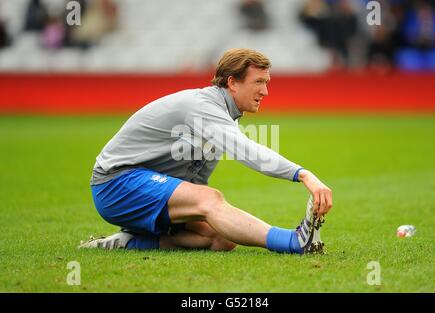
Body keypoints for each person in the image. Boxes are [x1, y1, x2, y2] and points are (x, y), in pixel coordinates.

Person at [79, 48, 332, 255]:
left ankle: (130, 241)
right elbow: (247, 151)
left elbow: (194, 178)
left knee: (222, 239)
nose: (265, 91)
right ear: (232, 82)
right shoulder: (203, 106)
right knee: (210, 200)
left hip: (145, 187)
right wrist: (303, 174)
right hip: (115, 183)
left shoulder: (224, 116)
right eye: (259, 82)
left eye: (267, 82)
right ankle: (295, 242)